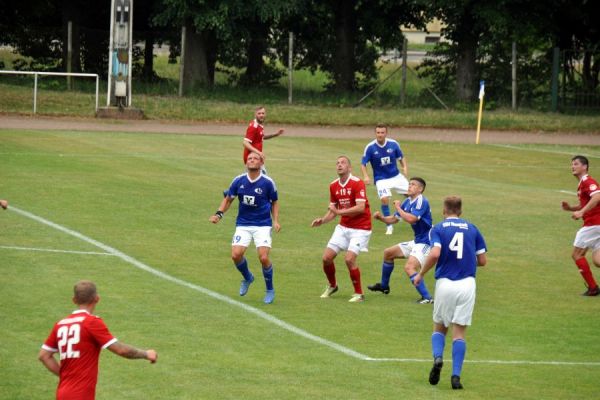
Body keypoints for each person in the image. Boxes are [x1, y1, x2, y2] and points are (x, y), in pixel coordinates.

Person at [413, 196, 487, 390]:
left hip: (446, 283)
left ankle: (438, 358)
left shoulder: (438, 228)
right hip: (468, 284)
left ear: (444, 211)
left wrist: (421, 273)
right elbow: (483, 260)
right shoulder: (472, 228)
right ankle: (456, 377)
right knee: (459, 333)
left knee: (439, 328)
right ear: (460, 211)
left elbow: (435, 253)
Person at [38, 280, 157, 400]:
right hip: (80, 395)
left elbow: (44, 355)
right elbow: (121, 350)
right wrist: (146, 354)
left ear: (74, 300)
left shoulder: (60, 324)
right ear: (97, 298)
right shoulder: (91, 322)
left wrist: (64, 376)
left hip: (63, 393)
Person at [209, 151, 281, 304]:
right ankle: (248, 277)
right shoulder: (238, 181)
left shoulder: (268, 182)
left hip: (262, 225)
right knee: (236, 255)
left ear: (261, 163)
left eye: (255, 158)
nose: (252, 160)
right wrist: (218, 214)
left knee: (263, 257)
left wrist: (275, 221)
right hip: (243, 224)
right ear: (246, 163)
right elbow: (228, 199)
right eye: (249, 158)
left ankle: (269, 289)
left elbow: (274, 202)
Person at [311, 156, 372, 303]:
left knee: (349, 259)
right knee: (326, 258)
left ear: (350, 168)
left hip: (361, 228)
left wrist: (338, 213)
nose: (339, 165)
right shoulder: (333, 185)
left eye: (343, 163)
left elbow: (360, 208)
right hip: (344, 227)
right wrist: (323, 220)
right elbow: (333, 210)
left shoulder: (357, 183)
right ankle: (332, 286)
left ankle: (359, 294)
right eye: (337, 163)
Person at [368, 177, 434, 304]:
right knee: (388, 253)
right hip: (418, 241)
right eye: (409, 184)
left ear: (420, 189)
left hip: (426, 242)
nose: (409, 186)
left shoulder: (421, 201)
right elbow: (394, 219)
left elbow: (412, 219)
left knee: (409, 267)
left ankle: (427, 298)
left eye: (413, 185)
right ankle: (384, 286)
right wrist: (381, 218)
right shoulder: (408, 201)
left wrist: (398, 208)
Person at [561, 155, 600, 296]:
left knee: (577, 254)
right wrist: (571, 208)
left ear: (585, 166)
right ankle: (593, 288)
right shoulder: (581, 184)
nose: (573, 166)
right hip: (596, 225)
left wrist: (581, 212)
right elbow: (586, 203)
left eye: (576, 164)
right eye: (572, 164)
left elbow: (597, 196)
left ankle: (593, 288)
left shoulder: (588, 181)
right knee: (597, 261)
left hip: (594, 225)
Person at [360, 124, 408, 235]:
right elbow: (363, 164)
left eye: (382, 132)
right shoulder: (370, 147)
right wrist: (366, 176)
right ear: (375, 133)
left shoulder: (394, 144)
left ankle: (416, 218)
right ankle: (389, 225)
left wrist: (404, 167)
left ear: (386, 133)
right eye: (378, 132)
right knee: (385, 199)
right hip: (381, 179)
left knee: (412, 195)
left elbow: (401, 157)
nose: (380, 135)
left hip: (396, 176)